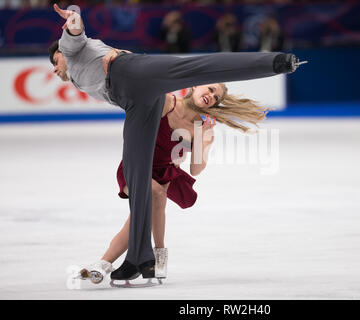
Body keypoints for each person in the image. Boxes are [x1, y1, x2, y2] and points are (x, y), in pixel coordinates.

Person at [50, 3, 304, 286]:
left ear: (61, 51)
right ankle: (140, 258)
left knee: (196, 67)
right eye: (209, 89)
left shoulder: (72, 49)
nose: (55, 67)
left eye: (56, 60)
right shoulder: (76, 76)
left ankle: (275, 62)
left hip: (132, 76)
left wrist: (75, 18)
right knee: (139, 180)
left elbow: (75, 34)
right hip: (132, 101)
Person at [77, 82, 270, 285]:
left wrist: (203, 139)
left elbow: (196, 169)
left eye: (216, 98)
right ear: (195, 86)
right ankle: (157, 257)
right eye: (210, 90)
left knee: (137, 219)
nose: (211, 96)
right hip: (135, 168)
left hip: (164, 174)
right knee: (156, 195)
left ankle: (102, 264)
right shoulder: (166, 102)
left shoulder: (201, 128)